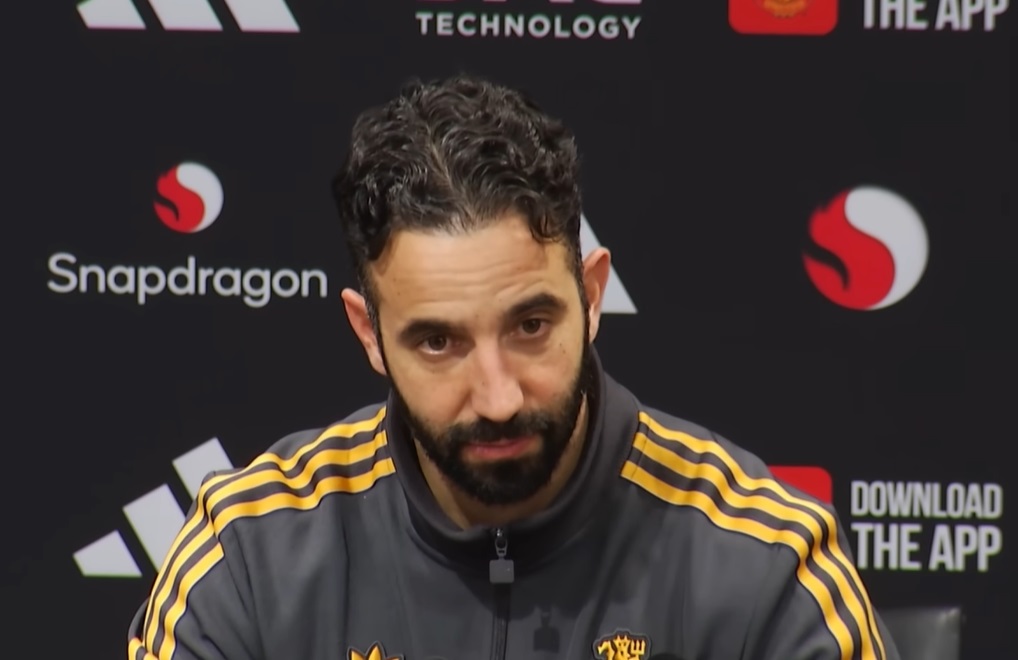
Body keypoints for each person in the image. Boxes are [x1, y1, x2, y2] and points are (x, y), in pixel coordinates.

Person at [128, 73, 900, 660]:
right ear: (369, 334)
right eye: (438, 343)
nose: (498, 398)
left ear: (591, 296)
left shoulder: (763, 560)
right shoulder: (250, 552)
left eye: (531, 326)